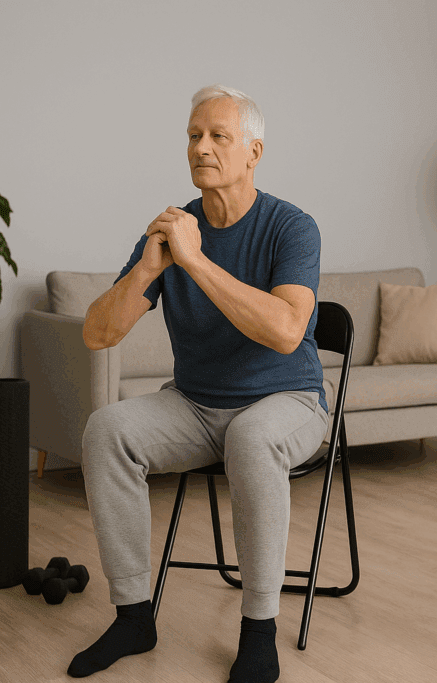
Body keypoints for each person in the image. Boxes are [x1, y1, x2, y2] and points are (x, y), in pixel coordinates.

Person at [71, 84, 330, 683]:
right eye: (193, 135)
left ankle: (258, 632)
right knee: (106, 428)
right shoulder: (173, 230)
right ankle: (134, 615)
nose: (201, 147)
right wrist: (148, 266)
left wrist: (195, 262)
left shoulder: (292, 227)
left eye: (218, 135)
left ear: (254, 150)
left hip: (286, 401)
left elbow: (289, 331)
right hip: (194, 405)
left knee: (252, 437)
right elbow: (96, 334)